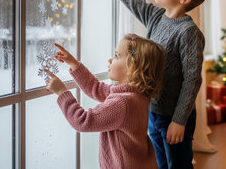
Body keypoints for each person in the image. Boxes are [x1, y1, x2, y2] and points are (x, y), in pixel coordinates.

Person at [93, 0, 210, 169]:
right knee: (158, 164)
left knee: (178, 165)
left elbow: (192, 80)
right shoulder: (155, 16)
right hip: (152, 111)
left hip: (175, 117)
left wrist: (178, 121)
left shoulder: (188, 33)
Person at [45, 34, 166, 169]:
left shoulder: (123, 103)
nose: (110, 59)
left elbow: (82, 121)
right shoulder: (137, 94)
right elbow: (95, 88)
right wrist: (73, 63)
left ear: (133, 68)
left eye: (116, 56)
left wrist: (62, 92)